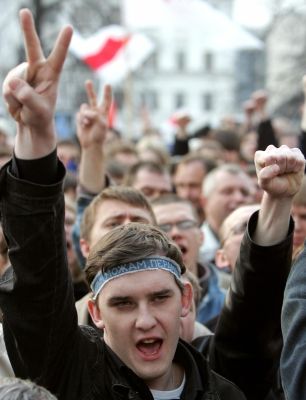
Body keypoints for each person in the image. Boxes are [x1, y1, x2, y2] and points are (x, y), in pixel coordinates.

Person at [1, 8, 305, 400]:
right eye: (123, 304)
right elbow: (37, 280)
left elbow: (254, 311)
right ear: (95, 313)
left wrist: (278, 203)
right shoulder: (75, 375)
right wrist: (36, 142)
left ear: (186, 298)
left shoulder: (221, 382)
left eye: (160, 298)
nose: (146, 321)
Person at [152, 194, 225, 325]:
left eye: (185, 224)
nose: (175, 233)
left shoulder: (231, 297)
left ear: (201, 236)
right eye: (163, 227)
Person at [199, 163, 254, 265]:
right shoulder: (194, 251)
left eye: (245, 192)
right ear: (204, 201)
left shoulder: (264, 245)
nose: (239, 198)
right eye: (228, 192)